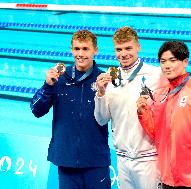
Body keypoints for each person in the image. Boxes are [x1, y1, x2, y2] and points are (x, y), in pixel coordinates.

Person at [136, 41, 191, 189]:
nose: (167, 65)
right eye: (163, 61)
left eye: (173, 60)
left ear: (185, 62)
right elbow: (158, 135)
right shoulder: (161, 93)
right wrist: (143, 113)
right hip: (168, 179)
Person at [30, 30, 111, 189]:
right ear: (71, 50)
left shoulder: (104, 80)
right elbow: (36, 110)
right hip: (66, 160)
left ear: (95, 50)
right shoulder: (59, 78)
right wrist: (48, 86)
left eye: (85, 49)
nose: (80, 54)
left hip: (95, 160)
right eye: (77, 49)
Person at [94, 26, 164, 189]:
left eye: (128, 48)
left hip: (149, 159)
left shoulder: (156, 75)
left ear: (138, 46)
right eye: (119, 49)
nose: (123, 54)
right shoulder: (110, 79)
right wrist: (101, 93)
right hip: (123, 159)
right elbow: (101, 119)